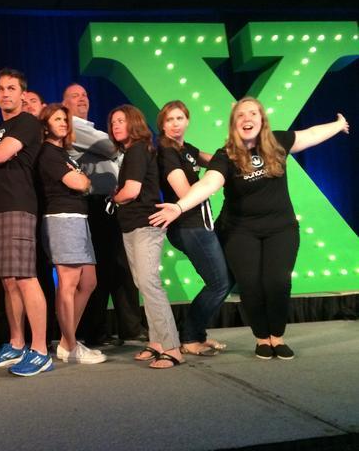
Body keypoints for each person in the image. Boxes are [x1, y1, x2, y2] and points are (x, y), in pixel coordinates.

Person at [150, 97, 349, 360]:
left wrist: (338, 125)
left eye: (253, 113)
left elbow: (310, 135)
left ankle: (277, 336)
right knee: (249, 285)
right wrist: (178, 206)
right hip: (239, 231)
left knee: (277, 282)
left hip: (281, 228)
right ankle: (261, 338)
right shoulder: (226, 155)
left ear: (261, 119)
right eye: (241, 115)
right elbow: (209, 183)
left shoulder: (277, 142)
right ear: (234, 124)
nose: (247, 118)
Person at [0, 67, 52, 377]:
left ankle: (40, 350)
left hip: (18, 206)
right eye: (0, 89)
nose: (5, 93)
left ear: (22, 94)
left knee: (25, 277)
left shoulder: (27, 122)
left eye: (11, 88)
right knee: (8, 280)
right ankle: (17, 343)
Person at [65, 83, 146, 346]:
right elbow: (111, 147)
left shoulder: (89, 128)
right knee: (100, 268)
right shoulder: (74, 127)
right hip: (96, 204)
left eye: (85, 94)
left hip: (110, 203)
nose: (82, 99)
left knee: (120, 266)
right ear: (65, 104)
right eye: (75, 96)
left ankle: (128, 328)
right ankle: (96, 331)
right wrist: (123, 144)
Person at [110, 104, 184, 369]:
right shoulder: (133, 151)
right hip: (133, 226)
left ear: (134, 122)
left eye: (121, 120)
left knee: (149, 284)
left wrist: (114, 198)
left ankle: (172, 348)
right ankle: (157, 343)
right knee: (144, 284)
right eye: (113, 122)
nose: (115, 126)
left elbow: (131, 191)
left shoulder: (138, 149)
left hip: (144, 225)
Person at [156, 100, 232, 356]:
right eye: (169, 120)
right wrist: (212, 184)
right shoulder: (167, 152)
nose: (175, 124)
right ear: (162, 125)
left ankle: (196, 334)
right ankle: (190, 337)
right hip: (188, 227)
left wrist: (235, 149)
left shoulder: (186, 148)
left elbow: (216, 161)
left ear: (187, 120)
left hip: (200, 225)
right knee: (219, 283)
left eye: (180, 118)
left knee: (222, 280)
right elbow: (185, 193)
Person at [36, 103, 106, 364]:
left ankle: (68, 341)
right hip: (63, 219)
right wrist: (84, 180)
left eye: (65, 119)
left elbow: (82, 182)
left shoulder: (62, 153)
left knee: (89, 282)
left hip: (78, 219)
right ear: (46, 125)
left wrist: (83, 180)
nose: (63, 123)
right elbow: (78, 182)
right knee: (68, 283)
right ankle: (71, 346)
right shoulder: (48, 153)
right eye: (57, 119)